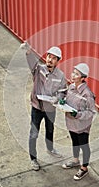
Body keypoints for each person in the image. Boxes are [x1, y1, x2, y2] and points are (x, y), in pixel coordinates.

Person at [21, 42, 67, 171]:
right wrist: (29, 51)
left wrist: (58, 98)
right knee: (33, 134)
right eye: (48, 56)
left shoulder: (60, 76)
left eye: (53, 58)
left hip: (50, 109)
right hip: (37, 107)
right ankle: (33, 158)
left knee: (50, 130)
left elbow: (63, 91)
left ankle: (50, 148)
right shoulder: (38, 69)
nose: (50, 60)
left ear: (57, 61)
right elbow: (31, 60)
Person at [61, 63, 96, 180]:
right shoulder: (70, 87)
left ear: (82, 78)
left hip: (82, 125)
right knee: (75, 142)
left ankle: (84, 168)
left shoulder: (87, 94)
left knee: (84, 146)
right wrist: (62, 101)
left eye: (76, 74)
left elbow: (91, 112)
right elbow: (66, 98)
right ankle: (75, 161)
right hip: (71, 123)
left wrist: (78, 114)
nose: (73, 75)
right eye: (73, 72)